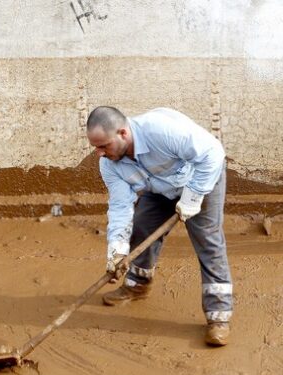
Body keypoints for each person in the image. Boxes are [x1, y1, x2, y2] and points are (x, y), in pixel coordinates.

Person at [86, 106, 233, 346]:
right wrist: (116, 250)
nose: (99, 153)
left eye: (103, 146)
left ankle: (219, 316)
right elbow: (121, 208)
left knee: (208, 241)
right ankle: (137, 285)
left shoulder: (161, 131)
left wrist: (193, 197)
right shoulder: (109, 164)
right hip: (159, 189)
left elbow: (213, 153)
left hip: (201, 179)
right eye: (95, 147)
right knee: (141, 227)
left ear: (123, 133)